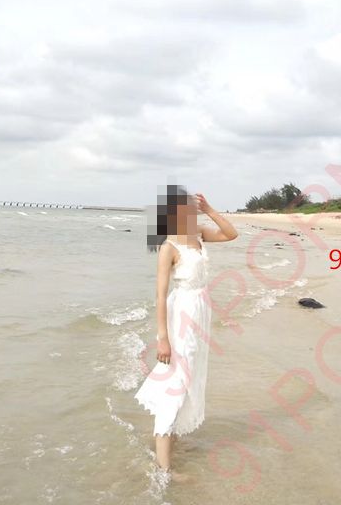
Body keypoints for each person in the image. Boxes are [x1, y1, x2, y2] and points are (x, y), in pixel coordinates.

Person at [134, 184, 239, 479]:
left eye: (195, 206)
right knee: (176, 381)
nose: (193, 210)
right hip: (182, 314)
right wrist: (163, 339)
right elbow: (160, 295)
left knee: (188, 375)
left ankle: (169, 440)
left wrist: (210, 210)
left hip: (199, 312)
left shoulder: (199, 234)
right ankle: (164, 469)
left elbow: (231, 234)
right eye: (189, 206)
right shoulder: (169, 247)